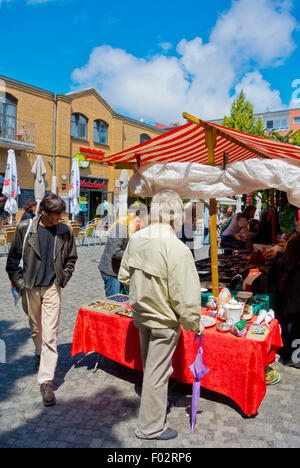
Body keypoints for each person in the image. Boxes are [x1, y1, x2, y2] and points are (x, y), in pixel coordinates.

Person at [118, 189, 204, 441]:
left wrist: (143, 291)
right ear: (175, 217)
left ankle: (151, 412)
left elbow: (124, 276)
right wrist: (195, 324)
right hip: (163, 321)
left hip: (141, 316)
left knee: (152, 370)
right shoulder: (177, 248)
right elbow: (185, 297)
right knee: (157, 372)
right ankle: (150, 428)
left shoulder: (137, 238)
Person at [6, 193, 78, 406]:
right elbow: (12, 261)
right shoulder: (25, 228)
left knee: (50, 335)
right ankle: (39, 353)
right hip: (30, 288)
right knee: (37, 329)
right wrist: (21, 284)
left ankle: (46, 381)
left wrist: (62, 279)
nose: (59, 218)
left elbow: (72, 258)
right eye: (55, 215)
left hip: (52, 288)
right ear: (43, 212)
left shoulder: (65, 231)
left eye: (61, 215)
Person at [264, 232, 300, 369]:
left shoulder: (296, 241)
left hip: (296, 286)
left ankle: (295, 358)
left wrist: (277, 258)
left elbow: (286, 265)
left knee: (295, 322)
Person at [98, 206, 148, 297]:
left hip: (118, 271)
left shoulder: (129, 228)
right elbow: (115, 252)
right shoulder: (120, 228)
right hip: (111, 272)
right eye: (139, 223)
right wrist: (134, 255)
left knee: (120, 299)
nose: (140, 226)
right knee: (113, 300)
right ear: (134, 219)